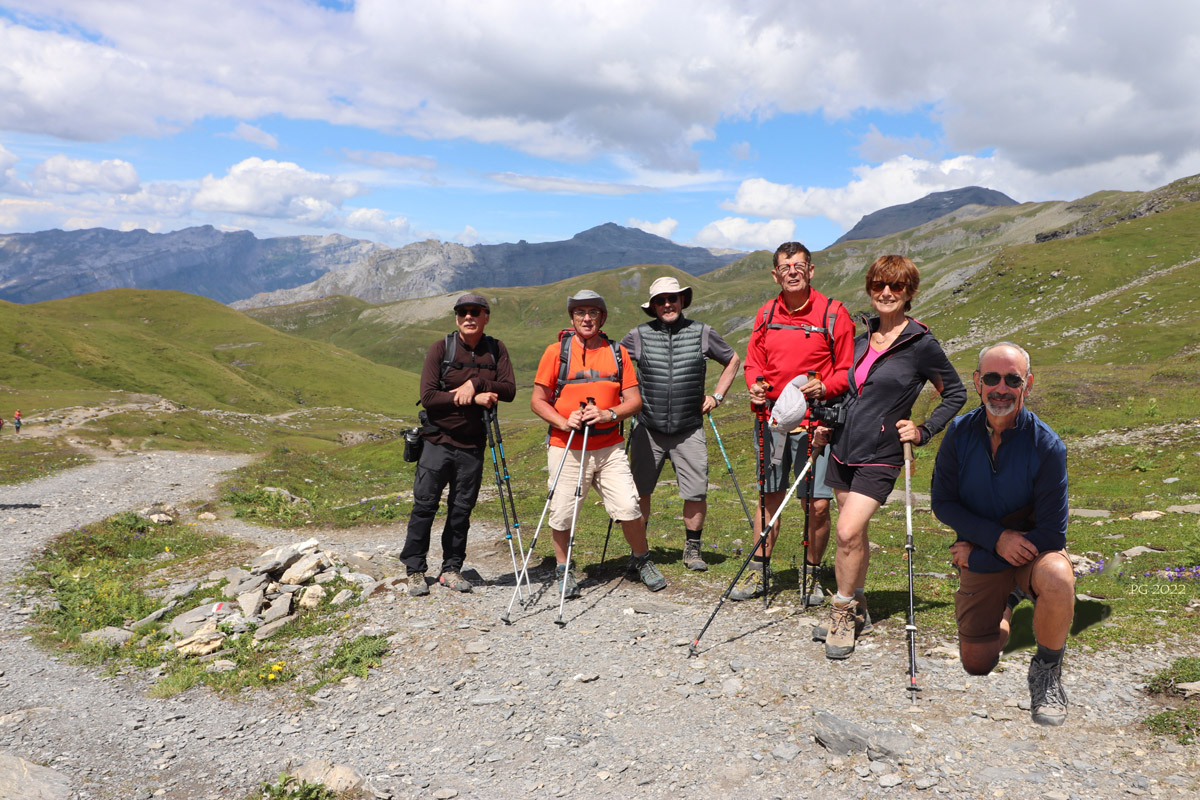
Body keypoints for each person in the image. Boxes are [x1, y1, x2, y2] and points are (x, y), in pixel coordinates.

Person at [813, 255, 966, 659]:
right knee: (855, 534)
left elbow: (955, 392)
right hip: (843, 447)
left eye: (896, 287)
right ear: (870, 286)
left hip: (881, 454)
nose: (885, 293)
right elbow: (848, 388)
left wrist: (923, 430)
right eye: (879, 285)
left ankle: (842, 612)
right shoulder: (860, 335)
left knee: (845, 532)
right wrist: (828, 422)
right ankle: (859, 601)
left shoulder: (920, 343)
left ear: (909, 292)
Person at [931, 342, 1074, 726]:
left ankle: (1046, 672)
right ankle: (1009, 602)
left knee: (1058, 576)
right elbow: (942, 503)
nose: (1001, 388)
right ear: (977, 382)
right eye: (991, 378)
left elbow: (1052, 536)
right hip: (986, 547)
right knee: (978, 663)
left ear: (1027, 384)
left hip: (1030, 553)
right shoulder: (959, 433)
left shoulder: (1047, 445)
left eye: (1013, 379)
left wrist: (978, 556)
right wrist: (994, 540)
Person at [732, 242, 855, 603]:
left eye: (799, 265)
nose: (792, 272)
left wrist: (826, 386)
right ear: (775, 274)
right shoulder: (766, 313)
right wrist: (754, 385)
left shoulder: (834, 313)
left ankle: (811, 574)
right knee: (768, 496)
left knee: (816, 504)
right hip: (771, 418)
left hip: (816, 418)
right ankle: (759, 572)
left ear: (811, 270)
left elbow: (847, 370)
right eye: (785, 267)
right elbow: (754, 361)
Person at [531, 289, 667, 597]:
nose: (587, 318)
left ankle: (642, 559)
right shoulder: (556, 352)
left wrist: (608, 413)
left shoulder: (617, 352)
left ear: (602, 317)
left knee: (629, 507)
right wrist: (563, 421)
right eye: (580, 313)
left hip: (609, 448)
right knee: (562, 512)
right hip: (566, 446)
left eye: (593, 312)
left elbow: (634, 401)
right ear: (572, 318)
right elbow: (538, 400)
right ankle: (563, 570)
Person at [619, 276, 741, 571]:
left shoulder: (702, 332)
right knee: (639, 491)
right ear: (653, 307)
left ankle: (693, 550)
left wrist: (717, 396)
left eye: (672, 298)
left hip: (689, 427)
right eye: (660, 300)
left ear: (682, 301)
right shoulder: (638, 335)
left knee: (696, 491)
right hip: (647, 427)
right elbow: (616, 364)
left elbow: (733, 360)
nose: (667, 304)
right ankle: (640, 553)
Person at [401, 293, 516, 597]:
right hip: (437, 440)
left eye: (475, 312)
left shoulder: (496, 349)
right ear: (456, 318)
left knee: (461, 510)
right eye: (463, 312)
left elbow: (509, 389)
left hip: (472, 444)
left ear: (485, 317)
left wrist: (476, 384)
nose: (469, 317)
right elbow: (428, 397)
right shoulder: (442, 348)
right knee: (424, 505)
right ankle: (415, 570)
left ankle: (451, 568)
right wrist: (463, 396)